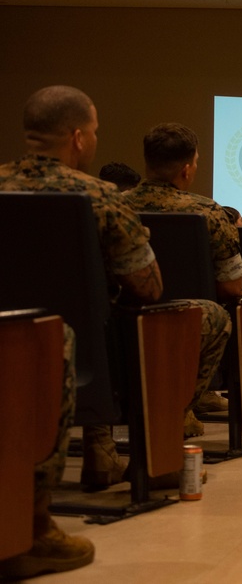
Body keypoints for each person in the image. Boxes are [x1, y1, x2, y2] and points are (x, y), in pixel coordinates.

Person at [0, 86, 161, 578]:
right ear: (77, 137)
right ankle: (34, 527)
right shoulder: (97, 196)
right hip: (69, 347)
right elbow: (147, 285)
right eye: (93, 132)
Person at [126, 123, 242, 443]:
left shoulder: (115, 204)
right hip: (194, 325)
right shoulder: (206, 212)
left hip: (124, 323)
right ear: (185, 170)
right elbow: (231, 286)